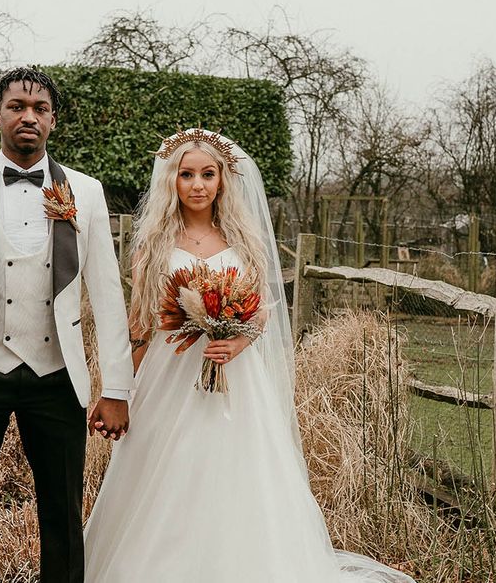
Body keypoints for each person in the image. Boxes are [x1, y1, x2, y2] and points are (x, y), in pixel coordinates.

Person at [83, 128, 415, 583]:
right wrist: (117, 391)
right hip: (169, 377)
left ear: (222, 180)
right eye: (186, 175)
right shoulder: (154, 244)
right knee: (167, 474)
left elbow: (262, 312)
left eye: (207, 174)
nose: (197, 185)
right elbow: (140, 324)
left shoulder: (244, 239)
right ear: (172, 182)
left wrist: (238, 340)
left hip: (236, 381)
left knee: (236, 476)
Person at [0, 66, 134, 583]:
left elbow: (107, 294)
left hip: (57, 377)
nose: (28, 116)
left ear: (53, 121)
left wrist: (117, 387)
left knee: (62, 516)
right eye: (16, 107)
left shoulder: (87, 192)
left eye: (39, 109)